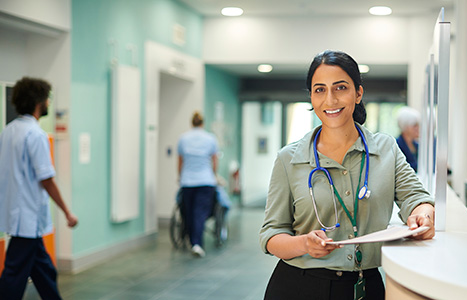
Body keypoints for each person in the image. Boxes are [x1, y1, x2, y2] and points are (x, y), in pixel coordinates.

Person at [259, 50, 435, 300]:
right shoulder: (289, 159)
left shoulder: (385, 150)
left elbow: (416, 198)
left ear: (358, 93)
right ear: (311, 96)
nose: (330, 100)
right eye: (319, 89)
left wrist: (423, 217)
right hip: (300, 286)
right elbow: (271, 235)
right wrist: (304, 244)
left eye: (340, 87)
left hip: (367, 285)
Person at [0, 77, 78, 300]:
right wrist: (67, 212)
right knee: (13, 277)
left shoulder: (9, 130)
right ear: (39, 102)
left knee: (44, 271)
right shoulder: (36, 134)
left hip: (20, 217)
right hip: (27, 219)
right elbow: (46, 179)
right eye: (47, 99)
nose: (49, 103)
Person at [177, 111, 219, 258]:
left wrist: (180, 177)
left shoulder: (183, 138)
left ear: (192, 122)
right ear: (202, 123)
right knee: (199, 213)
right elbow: (214, 161)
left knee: (188, 212)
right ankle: (197, 243)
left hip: (187, 181)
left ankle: (190, 239)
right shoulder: (210, 138)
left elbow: (180, 162)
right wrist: (214, 175)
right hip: (205, 181)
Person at [395, 106, 421, 172]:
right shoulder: (396, 145)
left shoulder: (417, 145)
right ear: (405, 126)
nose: (418, 128)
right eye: (415, 125)